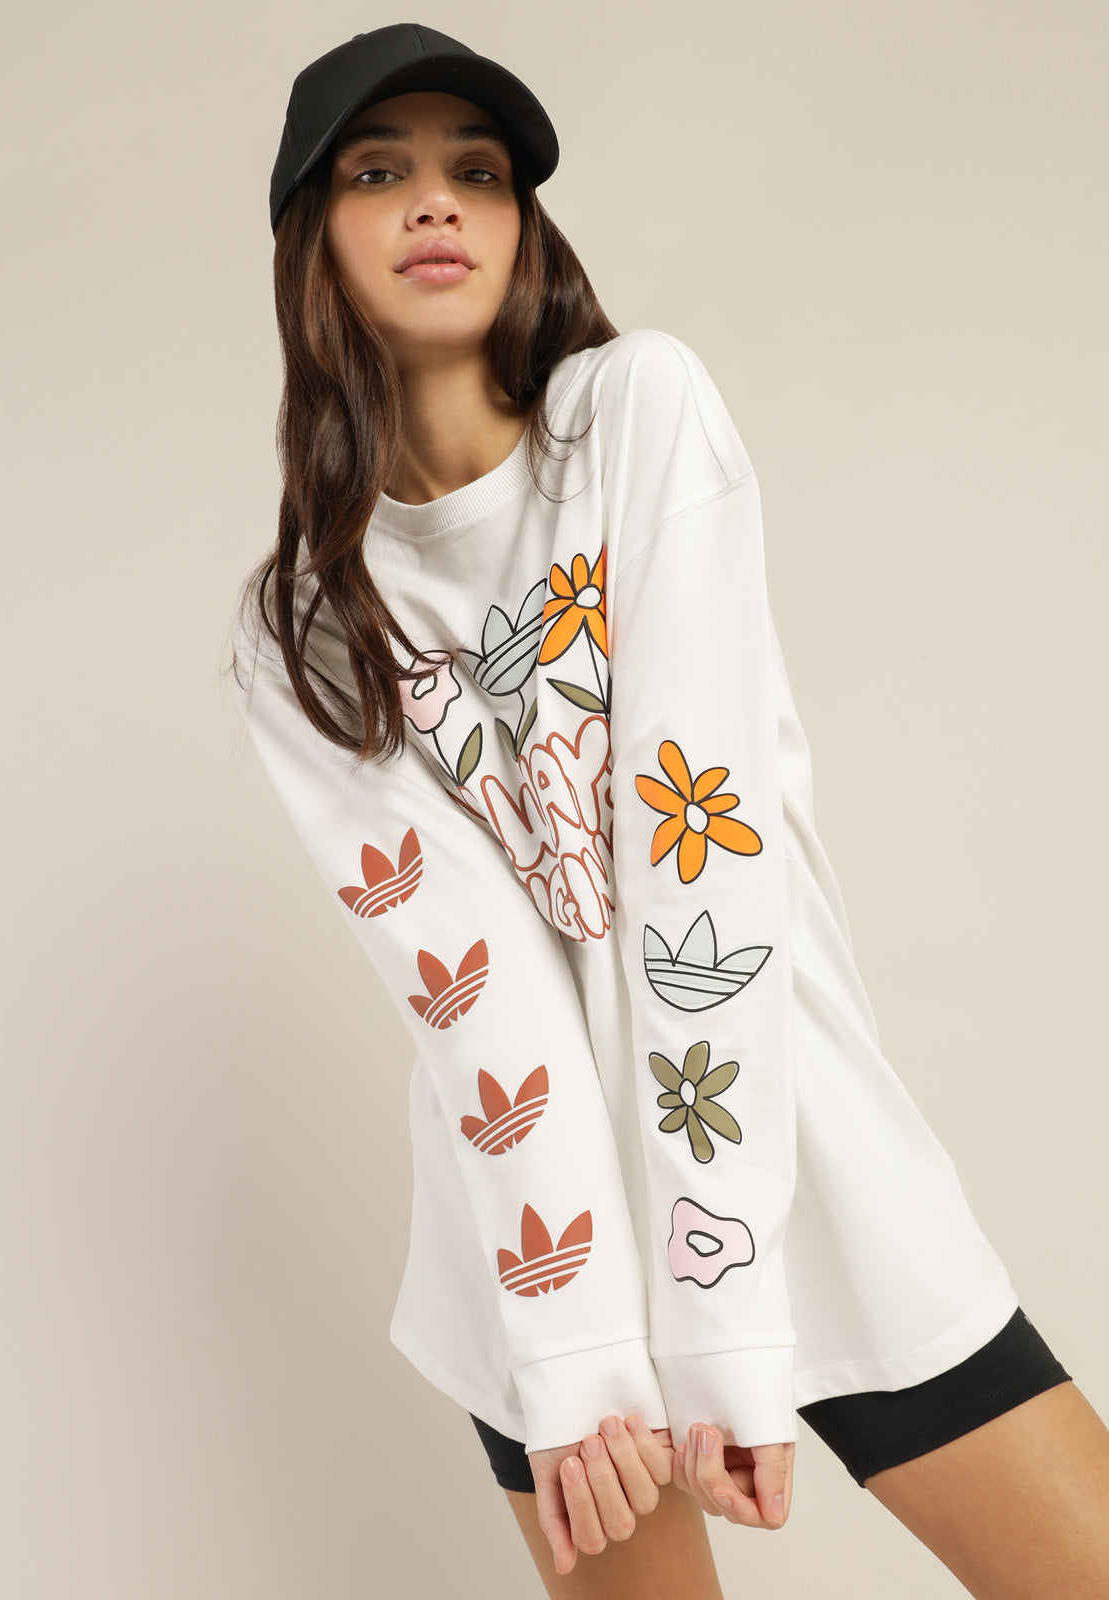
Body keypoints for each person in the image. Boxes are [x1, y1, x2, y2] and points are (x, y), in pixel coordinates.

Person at [227, 23, 1109, 1597]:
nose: (436, 203)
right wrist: (578, 1350)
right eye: (378, 173)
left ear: (523, 223)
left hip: (787, 1135)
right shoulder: (299, 624)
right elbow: (472, 986)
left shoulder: (636, 416)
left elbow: (698, 870)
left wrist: (721, 1316)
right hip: (539, 1236)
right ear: (314, 241)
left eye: (476, 172)